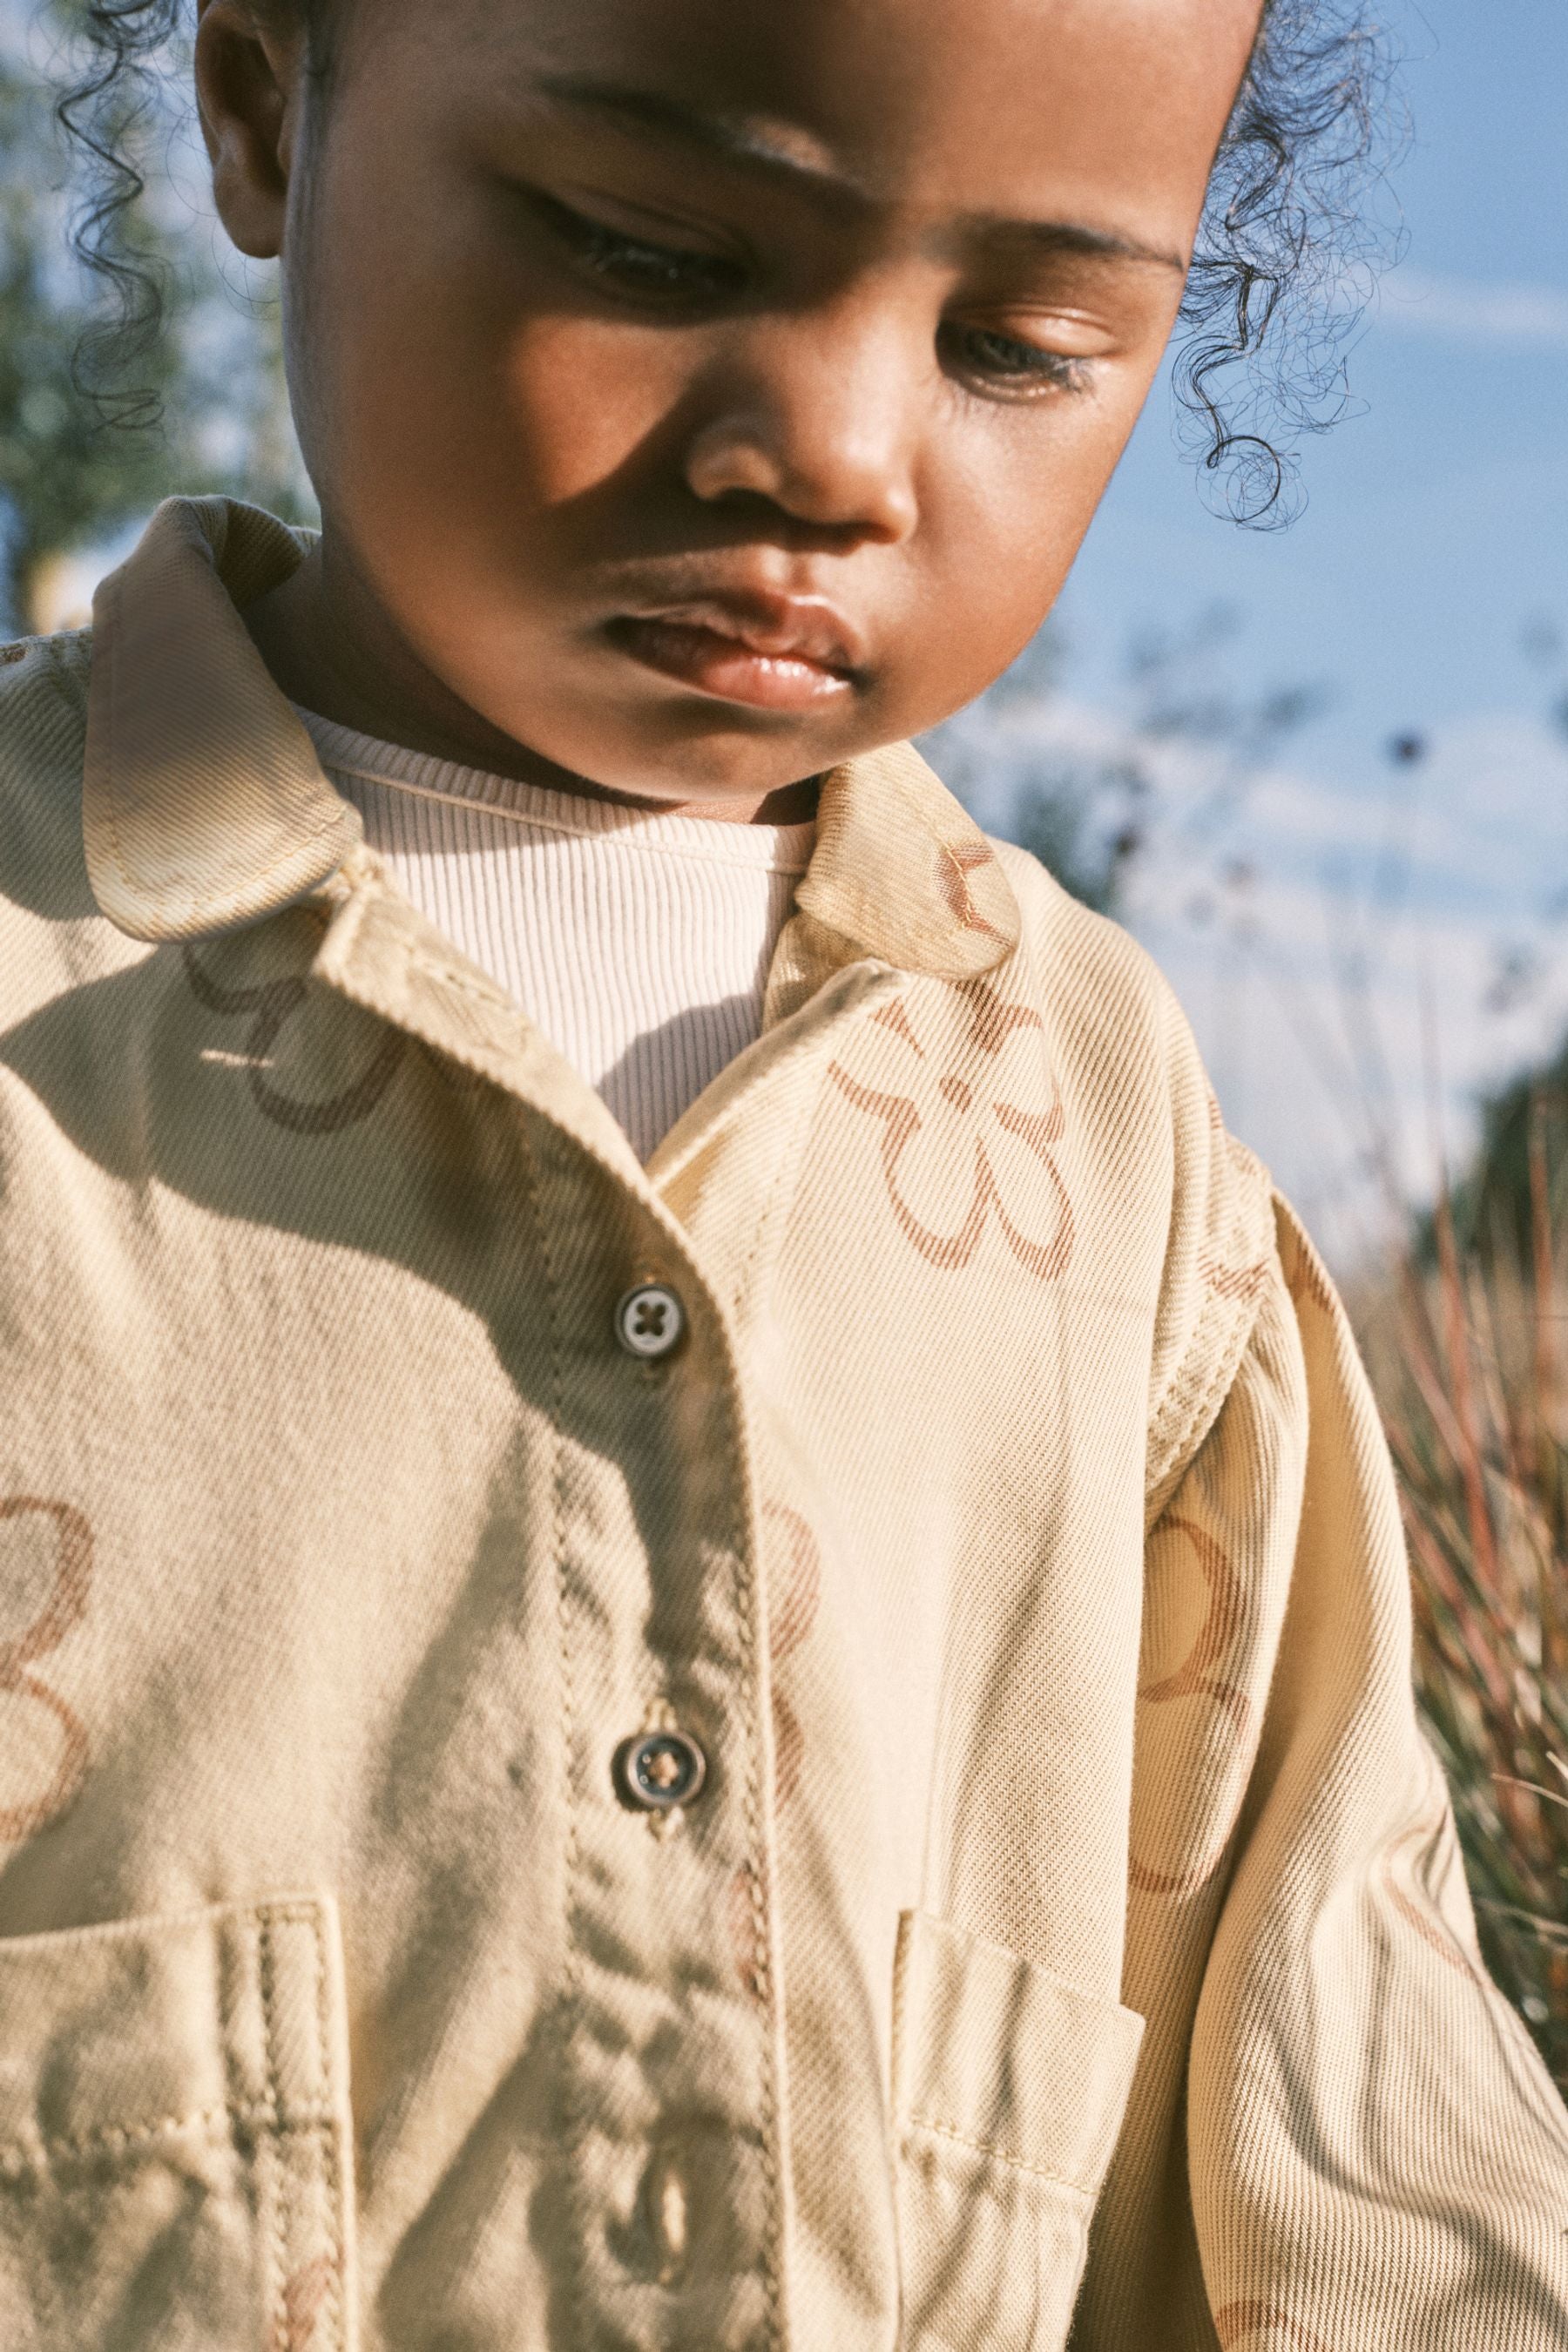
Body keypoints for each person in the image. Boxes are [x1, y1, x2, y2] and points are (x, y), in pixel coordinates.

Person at [0, 0, 1564, 2344]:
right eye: (646, 244)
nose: (836, 453)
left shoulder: (1113, 1144)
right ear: (261, 101)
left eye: (1024, 342)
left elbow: (1337, 2102)